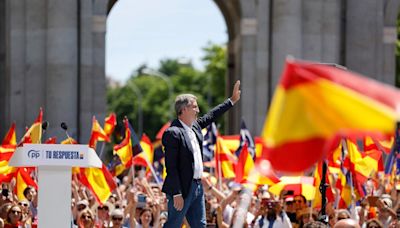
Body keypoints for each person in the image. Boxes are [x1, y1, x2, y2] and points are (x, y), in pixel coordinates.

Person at [161, 80, 241, 227]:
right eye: (194, 107)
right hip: (182, 188)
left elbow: (211, 115)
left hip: (197, 186)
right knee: (173, 224)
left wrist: (231, 101)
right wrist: (177, 193)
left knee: (200, 225)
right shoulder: (173, 133)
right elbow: (171, 166)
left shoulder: (195, 126)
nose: (198, 110)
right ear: (184, 109)